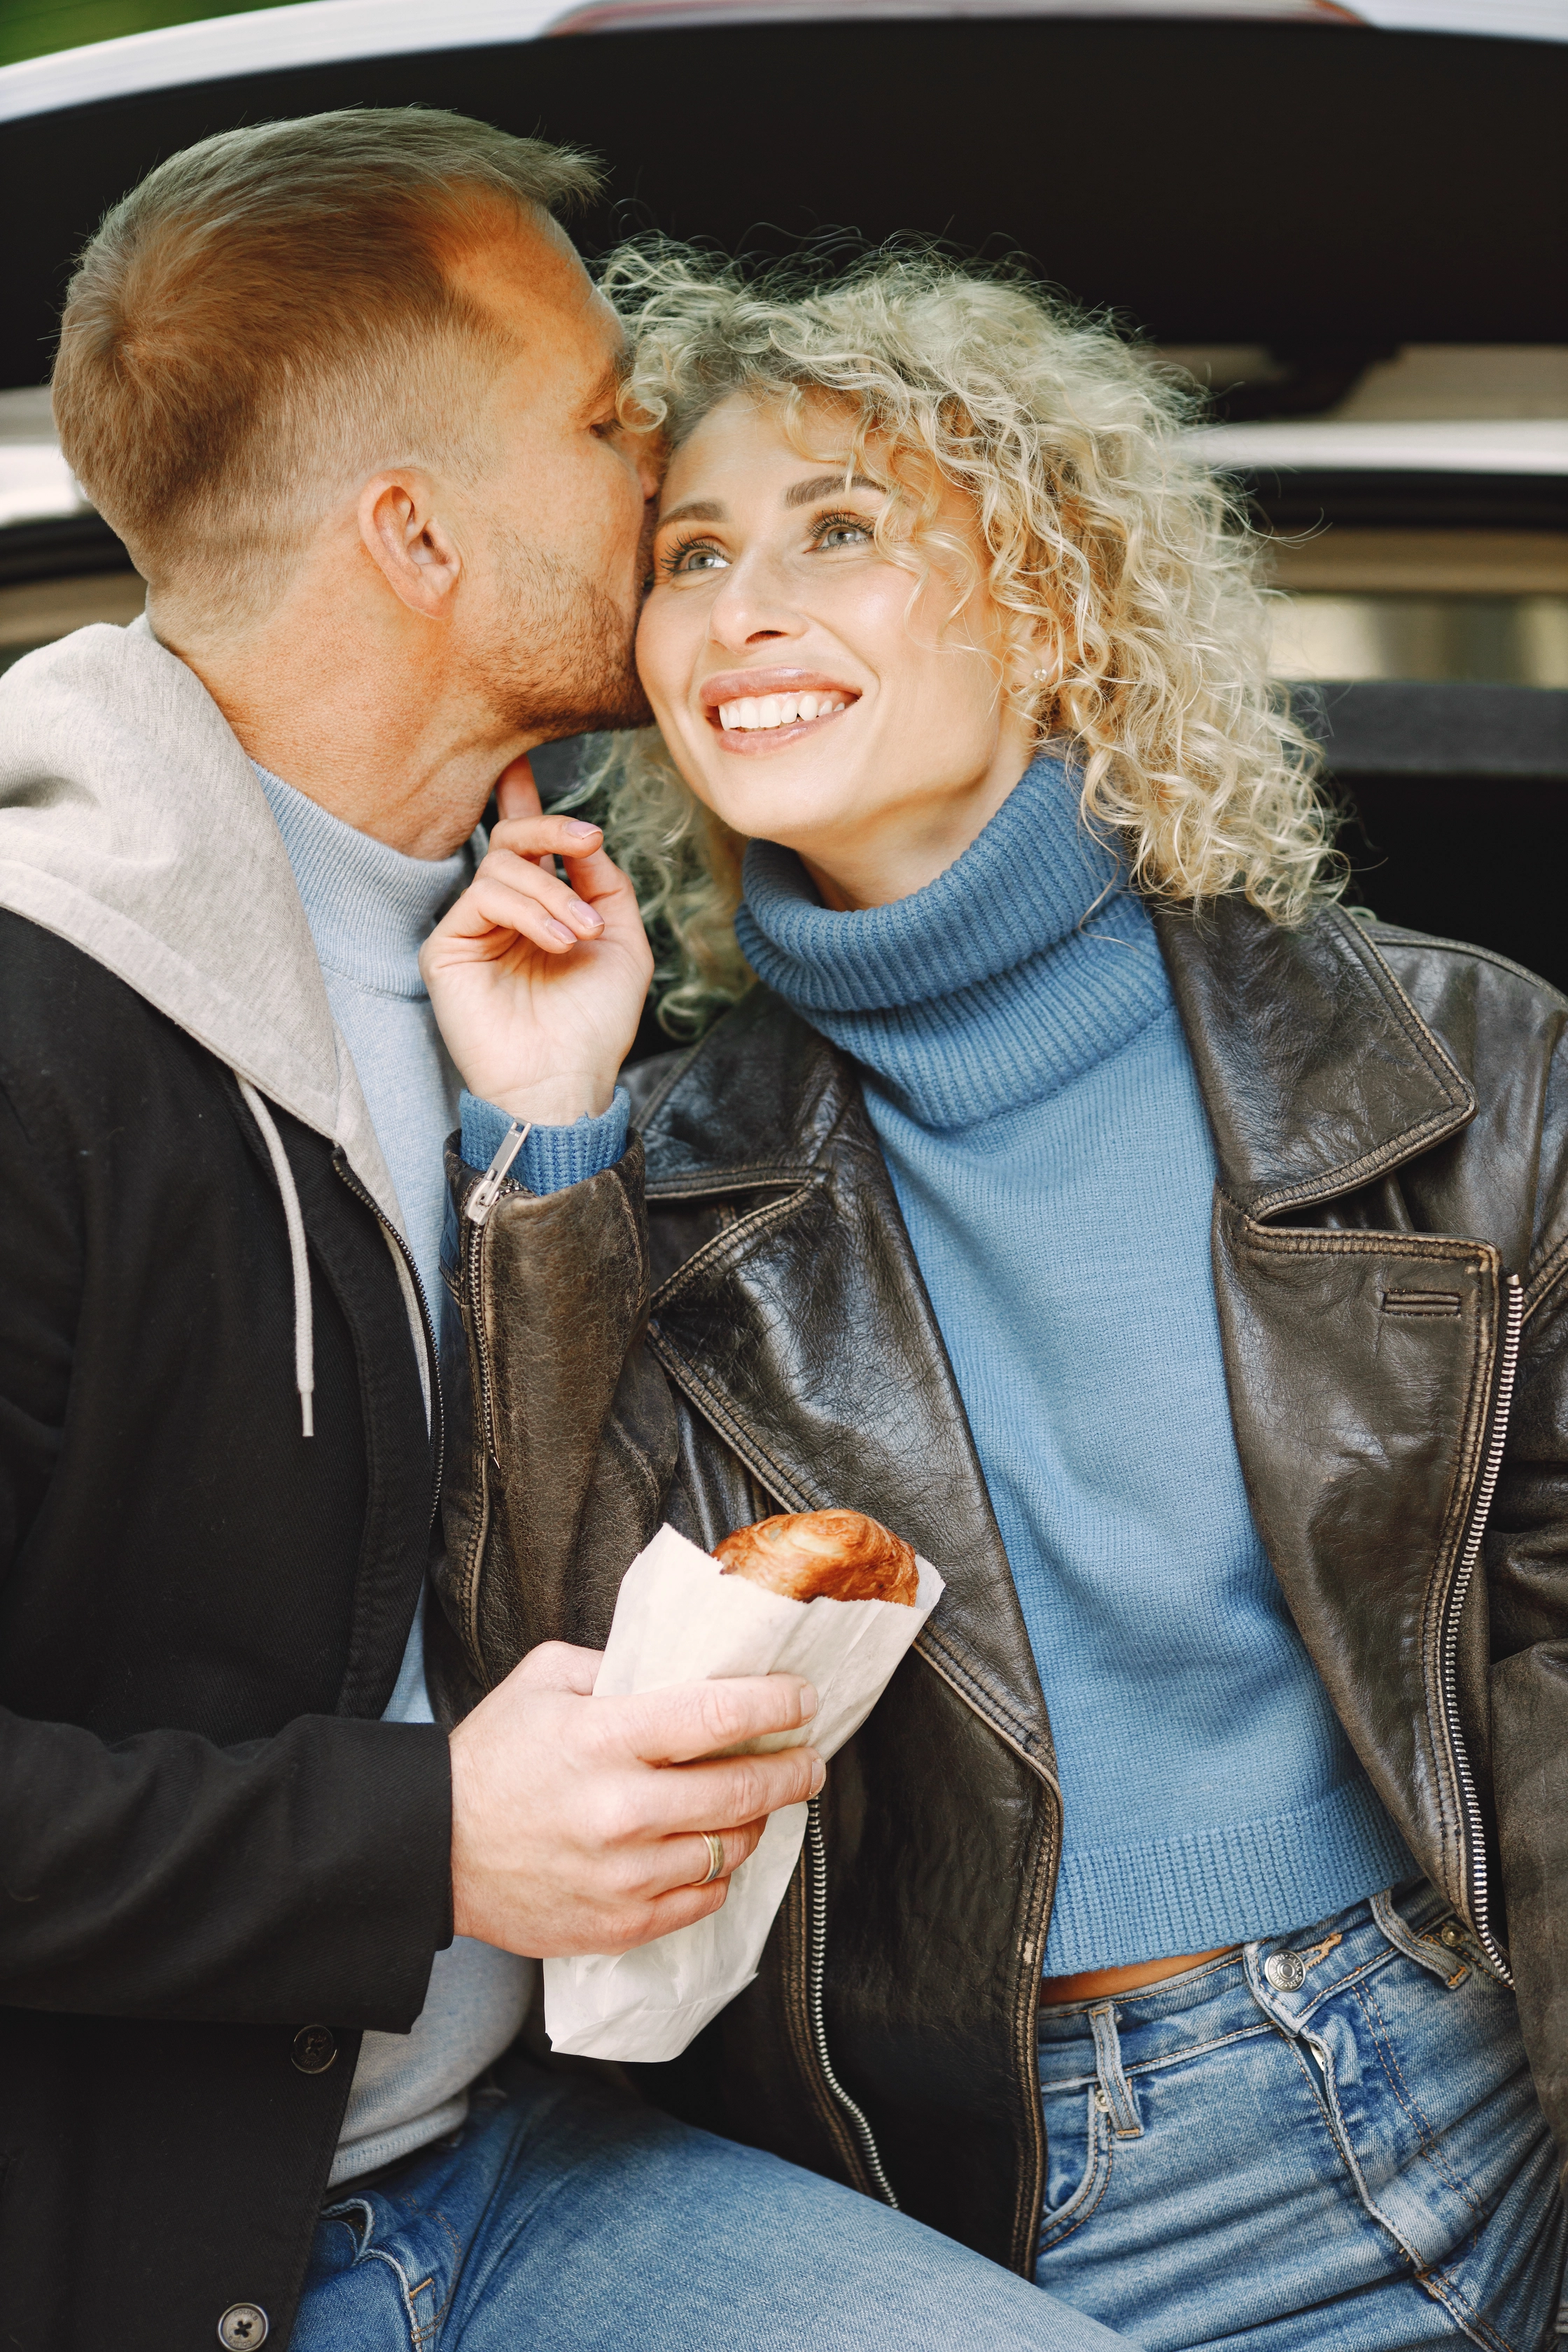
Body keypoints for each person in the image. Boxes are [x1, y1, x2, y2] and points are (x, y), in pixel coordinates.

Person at [0, 117, 1138, 2352]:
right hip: (146, 2252)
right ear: (415, 532)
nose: (659, 462)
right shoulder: (45, 1028)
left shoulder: (594, 961)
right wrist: (413, 1842)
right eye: (608, 421)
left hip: (527, 2163)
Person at [426, 244, 1568, 2351]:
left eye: (840, 529)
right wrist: (549, 1141)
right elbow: (564, 1697)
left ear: (1056, 604)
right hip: (997, 2194)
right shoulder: (639, 1170)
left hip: (1479, 2083)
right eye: (692, 551)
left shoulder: (1458, 1063)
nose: (738, 606)